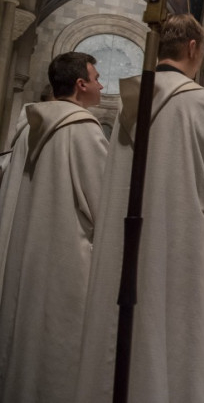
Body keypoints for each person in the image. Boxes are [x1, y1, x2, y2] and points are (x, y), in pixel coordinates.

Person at [74, 14, 204, 403]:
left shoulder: (132, 107)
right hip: (188, 253)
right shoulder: (199, 103)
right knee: (188, 351)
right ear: (193, 48)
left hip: (136, 255)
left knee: (139, 348)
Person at [0, 52, 107, 402]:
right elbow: (104, 207)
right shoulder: (82, 130)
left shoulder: (27, 128)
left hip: (22, 257)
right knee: (61, 353)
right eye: (96, 78)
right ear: (80, 84)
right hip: (66, 263)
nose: (101, 84)